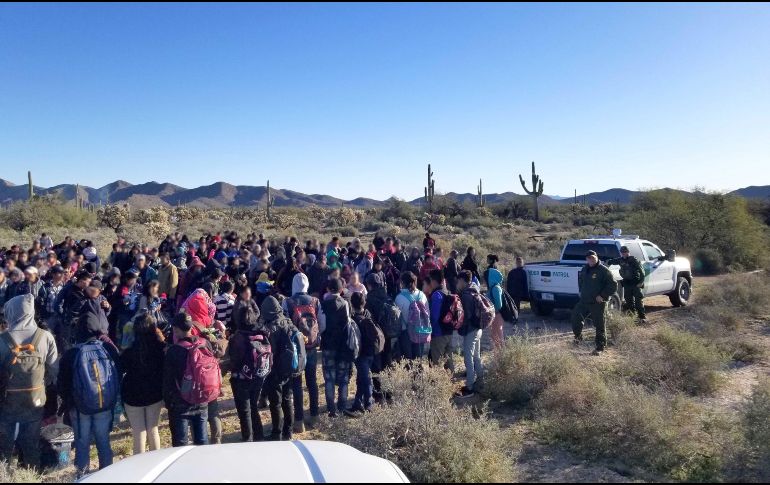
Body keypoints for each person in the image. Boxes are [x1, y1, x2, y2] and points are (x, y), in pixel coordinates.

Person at [57, 305, 121, 478]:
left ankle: (82, 476)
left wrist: (68, 401)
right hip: (104, 404)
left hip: (79, 408)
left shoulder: (72, 353)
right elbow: (118, 373)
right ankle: (107, 476)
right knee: (103, 442)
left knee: (82, 443)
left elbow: (62, 383)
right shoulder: (108, 349)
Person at [0, 294, 59, 471]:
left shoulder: (3, 339)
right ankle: (32, 474)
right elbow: (55, 368)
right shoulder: (45, 336)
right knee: (31, 441)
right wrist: (42, 383)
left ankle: (5, 473)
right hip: (35, 398)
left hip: (7, 400)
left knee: (4, 444)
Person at [163, 313, 215, 447]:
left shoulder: (174, 351)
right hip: (202, 397)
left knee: (181, 444)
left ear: (176, 330)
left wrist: (169, 403)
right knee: (202, 441)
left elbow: (168, 380)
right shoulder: (205, 343)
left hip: (181, 402)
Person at [120, 314, 165, 455]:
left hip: (133, 393)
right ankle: (155, 462)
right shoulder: (160, 347)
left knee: (139, 432)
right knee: (153, 429)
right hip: (155, 393)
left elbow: (122, 368)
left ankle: (139, 466)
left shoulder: (130, 350)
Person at [283, 273, 321, 432]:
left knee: (297, 384)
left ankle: (299, 422)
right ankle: (314, 416)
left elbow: (285, 324)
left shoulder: (288, 302)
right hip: (312, 347)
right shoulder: (315, 301)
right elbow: (322, 324)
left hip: (296, 348)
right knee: (312, 381)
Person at [227, 297, 268, 442]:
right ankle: (259, 435)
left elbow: (234, 360)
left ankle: (248, 439)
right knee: (253, 406)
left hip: (241, 378)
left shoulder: (238, 338)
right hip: (258, 376)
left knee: (244, 411)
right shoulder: (262, 335)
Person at [261, 296, 297, 441]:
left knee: (275, 402)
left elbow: (270, 351)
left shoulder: (271, 328)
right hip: (289, 367)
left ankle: (277, 432)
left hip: (275, 370)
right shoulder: (288, 321)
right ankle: (288, 431)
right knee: (287, 399)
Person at [571, 251, 618, 355]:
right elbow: (581, 281)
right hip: (584, 301)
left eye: (592, 258)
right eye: (588, 258)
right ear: (586, 259)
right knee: (575, 317)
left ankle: (600, 347)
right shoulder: (585, 269)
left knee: (599, 325)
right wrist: (581, 291)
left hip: (598, 303)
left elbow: (613, 285)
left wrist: (602, 295)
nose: (591, 260)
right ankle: (578, 338)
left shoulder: (603, 271)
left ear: (597, 257)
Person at [319, 278, 354, 418]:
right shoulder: (345, 303)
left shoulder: (323, 304)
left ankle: (331, 410)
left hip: (328, 344)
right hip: (343, 344)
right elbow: (348, 323)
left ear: (328, 289)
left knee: (329, 378)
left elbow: (322, 326)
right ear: (341, 290)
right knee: (343, 377)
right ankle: (342, 406)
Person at [345, 292, 379, 416]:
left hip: (361, 354)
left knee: (365, 378)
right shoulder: (368, 315)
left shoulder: (353, 319)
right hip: (372, 351)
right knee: (361, 378)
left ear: (351, 304)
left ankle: (369, 405)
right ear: (364, 303)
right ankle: (357, 404)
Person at [457, 271, 483, 397]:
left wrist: (461, 328)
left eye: (458, 281)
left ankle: (470, 387)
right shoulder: (475, 289)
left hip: (471, 329)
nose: (457, 283)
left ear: (462, 280)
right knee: (476, 356)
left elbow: (466, 315)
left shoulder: (466, 295)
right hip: (479, 328)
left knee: (468, 357)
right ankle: (481, 382)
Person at [394, 271, 430, 360]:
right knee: (419, 358)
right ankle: (419, 373)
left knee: (407, 359)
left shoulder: (399, 298)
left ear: (402, 283)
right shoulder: (422, 295)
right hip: (421, 329)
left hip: (406, 332)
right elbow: (427, 313)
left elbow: (397, 318)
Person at [608, 246, 647, 323]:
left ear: (628, 252)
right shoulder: (620, 260)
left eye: (625, 252)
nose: (624, 254)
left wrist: (641, 282)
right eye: (622, 252)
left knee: (638, 301)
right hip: (627, 283)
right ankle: (633, 317)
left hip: (636, 283)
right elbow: (611, 261)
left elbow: (642, 272)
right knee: (629, 301)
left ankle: (642, 317)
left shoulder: (634, 260)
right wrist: (606, 262)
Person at [425, 269, 454, 370]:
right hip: (449, 331)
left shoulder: (437, 295)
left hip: (438, 333)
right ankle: (450, 381)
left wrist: (429, 330)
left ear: (433, 281)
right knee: (448, 358)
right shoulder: (447, 291)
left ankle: (436, 383)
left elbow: (434, 317)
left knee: (435, 361)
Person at [486, 261, 505, 350]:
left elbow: (499, 304)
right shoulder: (492, 287)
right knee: (494, 334)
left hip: (497, 314)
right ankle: (497, 355)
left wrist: (494, 311)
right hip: (494, 314)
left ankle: (502, 354)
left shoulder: (496, 288)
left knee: (498, 333)